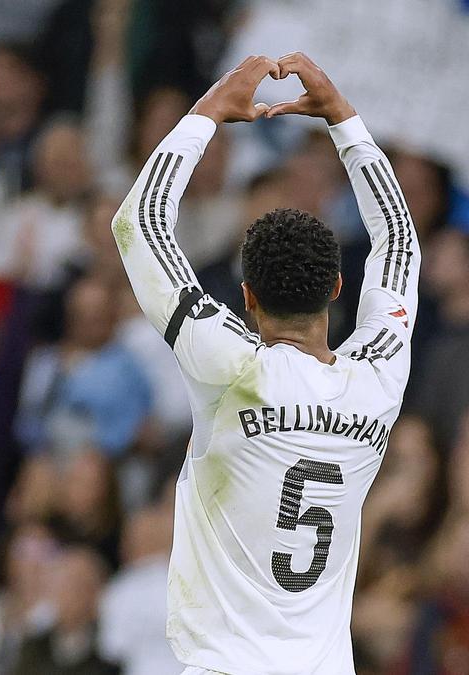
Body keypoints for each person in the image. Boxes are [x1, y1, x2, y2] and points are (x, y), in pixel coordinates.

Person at [110, 52, 420, 674]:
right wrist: (345, 122)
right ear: (337, 288)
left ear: (246, 296)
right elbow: (399, 239)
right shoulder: (377, 374)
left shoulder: (229, 367)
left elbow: (139, 227)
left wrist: (203, 117)